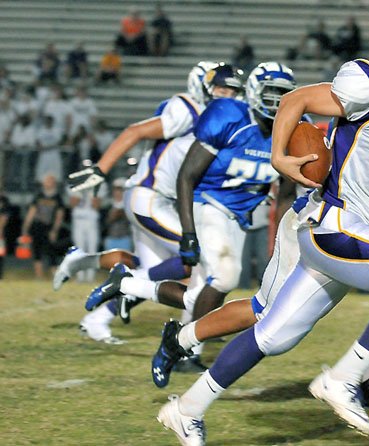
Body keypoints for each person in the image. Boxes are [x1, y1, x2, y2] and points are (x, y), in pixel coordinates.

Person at [154, 11, 369, 443]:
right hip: (333, 220)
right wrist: (280, 156)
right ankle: (342, 379)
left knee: (273, 334)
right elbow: (296, 100)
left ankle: (185, 408)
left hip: (352, 233)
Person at [85, 62, 296, 369]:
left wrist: (284, 242)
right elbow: (187, 176)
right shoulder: (228, 116)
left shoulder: (292, 127)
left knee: (197, 294)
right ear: (253, 93)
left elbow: (286, 193)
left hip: (239, 215)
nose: (277, 103)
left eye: (283, 95)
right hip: (206, 203)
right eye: (271, 93)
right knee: (226, 276)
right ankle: (184, 350)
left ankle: (128, 285)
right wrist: (187, 232)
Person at [57, 62, 242, 345]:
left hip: (162, 201)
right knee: (193, 257)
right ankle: (189, 326)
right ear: (204, 88)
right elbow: (135, 131)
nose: (227, 96)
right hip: (149, 197)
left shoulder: (221, 119)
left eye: (232, 91)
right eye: (221, 89)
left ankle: (86, 273)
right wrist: (100, 170)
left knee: (151, 270)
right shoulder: (188, 108)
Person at [21, 174, 66, 279]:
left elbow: (60, 215)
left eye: (50, 181)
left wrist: (55, 230)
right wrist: (26, 226)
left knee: (51, 251)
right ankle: (39, 276)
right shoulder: (39, 195)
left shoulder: (57, 197)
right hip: (37, 226)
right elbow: (32, 211)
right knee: (37, 250)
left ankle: (55, 276)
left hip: (49, 227)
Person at [103, 178, 133, 251]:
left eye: (120, 190)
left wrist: (122, 213)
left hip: (125, 239)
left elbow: (131, 221)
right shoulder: (108, 205)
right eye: (116, 190)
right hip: (110, 239)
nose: (118, 193)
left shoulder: (129, 205)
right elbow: (104, 223)